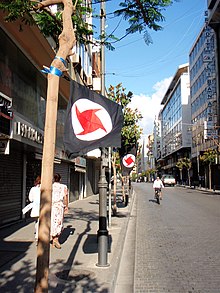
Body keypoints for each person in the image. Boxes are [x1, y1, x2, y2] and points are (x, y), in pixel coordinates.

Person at [51, 173, 69, 249]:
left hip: (51, 206)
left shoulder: (50, 186)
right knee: (59, 222)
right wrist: (66, 206)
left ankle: (53, 239)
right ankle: (56, 239)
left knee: (52, 222)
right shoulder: (63, 187)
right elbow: (65, 197)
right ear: (60, 179)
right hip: (59, 206)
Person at [28, 176, 41, 242]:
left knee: (37, 221)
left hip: (35, 207)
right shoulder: (45, 188)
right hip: (43, 206)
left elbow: (30, 199)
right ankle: (40, 234)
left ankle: (37, 235)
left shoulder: (33, 189)